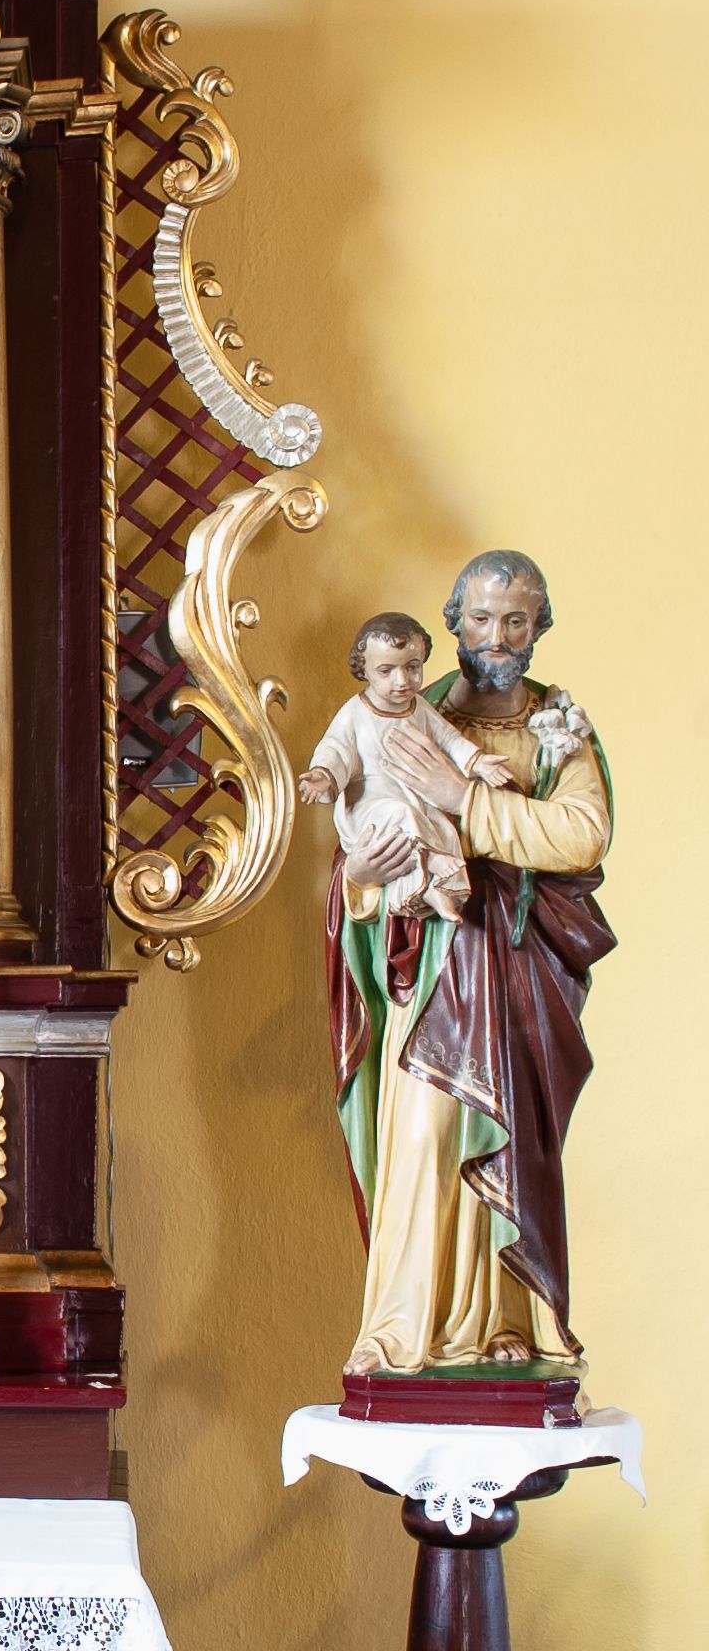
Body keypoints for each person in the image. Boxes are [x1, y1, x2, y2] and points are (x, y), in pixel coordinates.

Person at [323, 549, 612, 1375]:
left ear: (538, 626)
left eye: (515, 619)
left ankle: (503, 1326)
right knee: (422, 1137)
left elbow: (582, 835)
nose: (497, 637)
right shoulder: (408, 712)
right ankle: (401, 1330)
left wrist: (467, 803)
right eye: (480, 618)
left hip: (515, 970)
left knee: (507, 1144)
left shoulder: (555, 728)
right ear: (451, 624)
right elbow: (357, 834)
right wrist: (361, 878)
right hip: (427, 970)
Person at [297, 608, 513, 922]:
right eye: (386, 670)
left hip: (416, 801)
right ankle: (432, 864)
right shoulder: (355, 713)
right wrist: (323, 776)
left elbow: (449, 739)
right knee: (400, 815)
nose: (402, 681)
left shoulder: (419, 707)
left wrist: (477, 762)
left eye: (412, 667)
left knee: (443, 828)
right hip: (371, 809)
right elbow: (336, 750)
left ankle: (438, 891)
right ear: (364, 669)